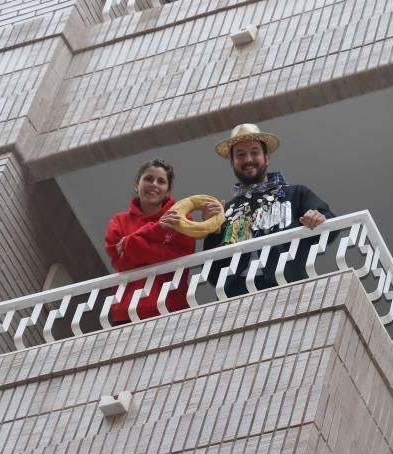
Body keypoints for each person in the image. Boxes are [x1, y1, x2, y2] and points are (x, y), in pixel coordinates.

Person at [201, 124, 334, 296]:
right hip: (238, 296)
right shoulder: (226, 210)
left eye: (254, 152)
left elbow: (330, 226)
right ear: (233, 162)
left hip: (290, 287)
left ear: (267, 157)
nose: (248, 159)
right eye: (240, 155)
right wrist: (213, 232)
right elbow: (212, 275)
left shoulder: (296, 194)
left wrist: (318, 218)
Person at [105, 159, 196, 323]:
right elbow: (122, 263)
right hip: (126, 313)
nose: (154, 184)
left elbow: (181, 258)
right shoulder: (118, 222)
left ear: (167, 191)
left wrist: (130, 243)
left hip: (171, 309)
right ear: (136, 184)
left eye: (161, 181)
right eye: (148, 178)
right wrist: (158, 230)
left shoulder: (181, 217)